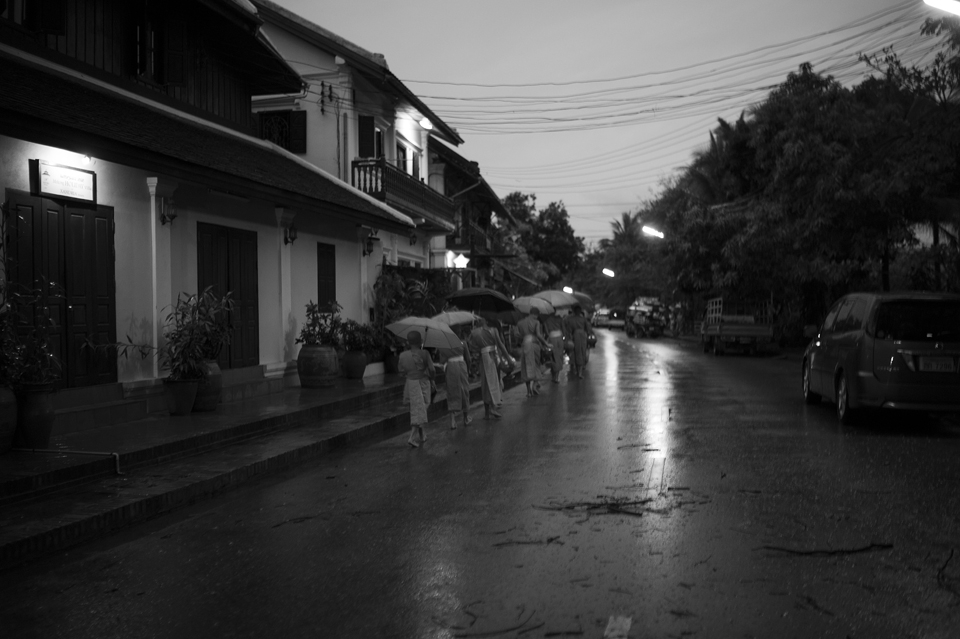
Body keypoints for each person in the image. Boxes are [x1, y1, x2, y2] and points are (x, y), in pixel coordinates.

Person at [467, 317, 512, 419]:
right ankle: (492, 407)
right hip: (493, 357)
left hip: (484, 358)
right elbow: (501, 345)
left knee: (486, 384)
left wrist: (481, 350)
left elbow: (470, 345)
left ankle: (487, 412)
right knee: (493, 382)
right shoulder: (494, 330)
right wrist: (508, 358)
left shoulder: (475, 333)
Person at [398, 331, 435, 447]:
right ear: (421, 342)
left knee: (416, 407)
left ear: (408, 342)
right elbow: (432, 370)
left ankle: (422, 434)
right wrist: (432, 378)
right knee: (422, 406)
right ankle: (412, 437)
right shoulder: (425, 354)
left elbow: (401, 371)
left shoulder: (403, 355)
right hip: (423, 382)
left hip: (410, 383)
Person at [437, 326, 472, 430]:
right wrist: (468, 370)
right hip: (462, 366)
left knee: (452, 391)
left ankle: (452, 421)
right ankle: (466, 418)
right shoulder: (463, 343)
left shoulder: (445, 345)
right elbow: (468, 359)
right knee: (464, 391)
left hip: (451, 367)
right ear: (459, 331)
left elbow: (442, 361)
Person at [516, 308, 549, 397]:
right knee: (536, 365)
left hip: (525, 344)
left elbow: (518, 335)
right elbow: (538, 335)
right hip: (534, 344)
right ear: (536, 314)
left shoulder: (520, 322)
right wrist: (546, 344)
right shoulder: (536, 322)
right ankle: (535, 384)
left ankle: (528, 391)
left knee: (525, 366)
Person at [563, 304, 594, 379]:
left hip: (574, 336)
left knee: (575, 353)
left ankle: (577, 370)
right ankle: (579, 372)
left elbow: (568, 330)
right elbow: (588, 329)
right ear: (580, 311)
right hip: (582, 336)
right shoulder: (583, 319)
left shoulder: (570, 319)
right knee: (582, 353)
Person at [541, 310, 566, 383]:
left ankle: (554, 375)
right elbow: (564, 329)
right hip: (560, 338)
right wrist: (564, 337)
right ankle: (556, 376)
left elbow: (546, 331)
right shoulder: (560, 319)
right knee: (559, 356)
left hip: (551, 338)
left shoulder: (546, 320)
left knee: (553, 356)